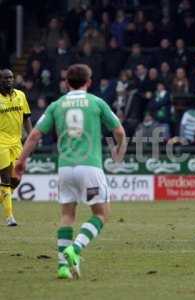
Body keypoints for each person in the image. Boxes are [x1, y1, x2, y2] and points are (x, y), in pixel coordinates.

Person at [14, 64, 126, 279]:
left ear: (66, 83)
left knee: (67, 215)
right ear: (89, 82)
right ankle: (75, 248)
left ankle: (63, 267)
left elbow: (35, 135)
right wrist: (118, 150)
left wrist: (21, 160)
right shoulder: (96, 102)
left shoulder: (57, 105)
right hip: (90, 166)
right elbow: (118, 130)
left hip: (65, 168)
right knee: (101, 214)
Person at [0, 69, 32, 226]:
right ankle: (9, 217)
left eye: (11, 77)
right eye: (5, 78)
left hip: (17, 142)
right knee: (5, 178)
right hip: (1, 142)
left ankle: (3, 198)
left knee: (16, 178)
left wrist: (31, 136)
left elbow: (26, 117)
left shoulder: (21, 95)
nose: (9, 80)